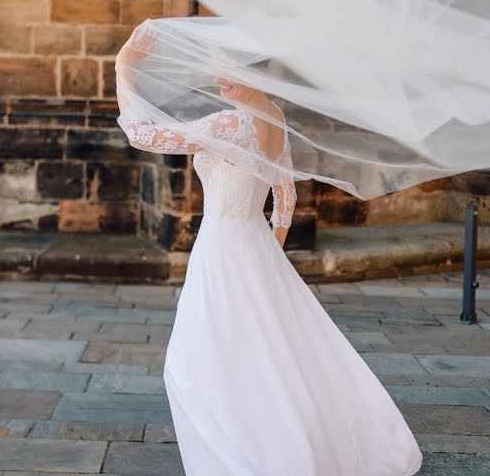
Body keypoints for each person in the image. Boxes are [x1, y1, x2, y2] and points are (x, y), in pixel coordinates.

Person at [115, 26, 423, 476]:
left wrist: (124, 67)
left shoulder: (230, 124)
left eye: (228, 73)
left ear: (255, 74)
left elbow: (144, 136)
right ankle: (279, 436)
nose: (219, 81)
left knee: (199, 359)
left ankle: (246, 451)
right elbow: (285, 193)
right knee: (263, 351)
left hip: (223, 247)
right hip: (252, 244)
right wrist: (269, 249)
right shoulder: (273, 116)